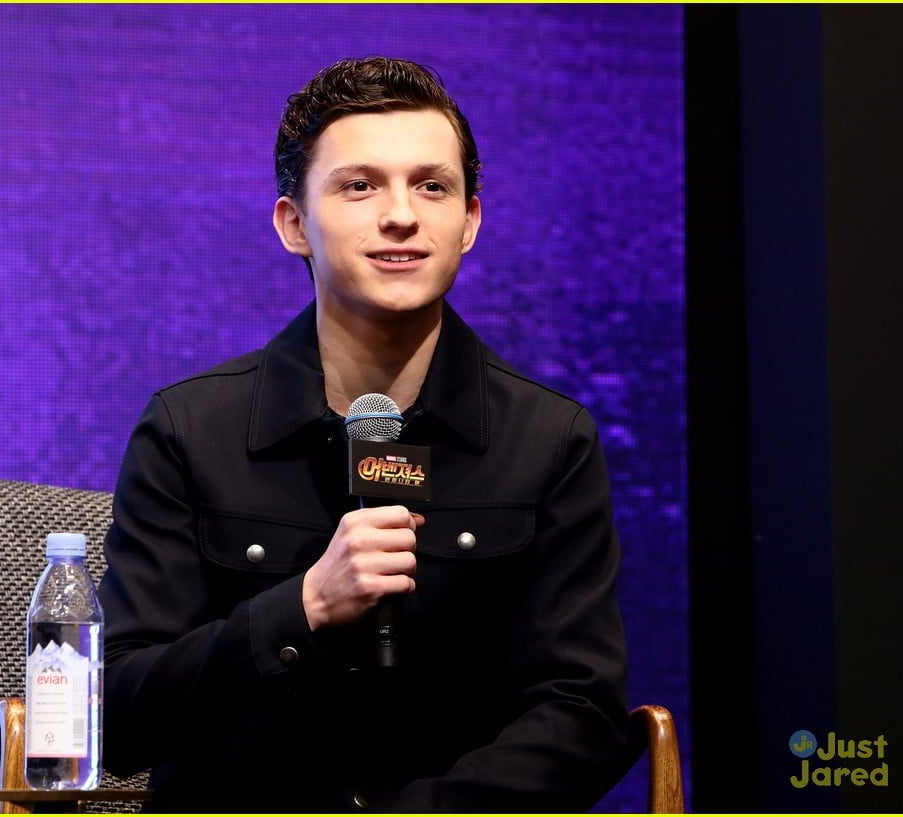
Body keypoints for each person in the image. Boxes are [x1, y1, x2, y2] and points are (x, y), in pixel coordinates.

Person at [97, 56, 629, 812]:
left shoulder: (548, 439)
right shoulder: (192, 428)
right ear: (294, 225)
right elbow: (116, 713)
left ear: (470, 222)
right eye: (360, 185)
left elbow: (583, 713)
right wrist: (303, 605)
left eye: (432, 185)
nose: (402, 214)